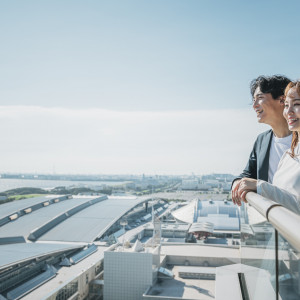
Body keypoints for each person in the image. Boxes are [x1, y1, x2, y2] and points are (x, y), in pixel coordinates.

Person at [236, 80, 300, 214]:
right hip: (277, 225)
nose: (254, 106)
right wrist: (238, 183)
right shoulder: (287, 154)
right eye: (288, 105)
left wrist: (260, 187)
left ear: (280, 100)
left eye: (259, 98)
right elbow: (248, 174)